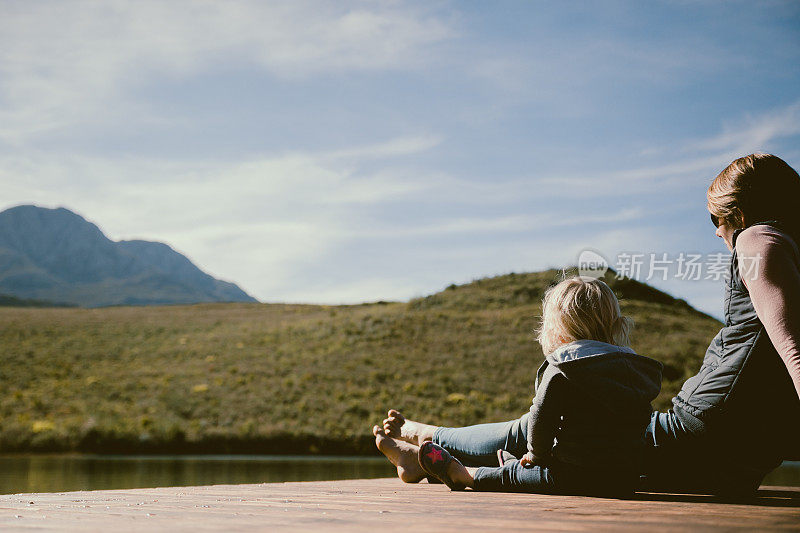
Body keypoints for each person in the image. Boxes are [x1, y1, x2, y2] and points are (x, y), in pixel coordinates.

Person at [373, 276, 663, 495]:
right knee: (526, 467)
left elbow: (540, 418)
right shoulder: (636, 369)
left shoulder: (564, 367)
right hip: (623, 480)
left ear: (557, 329)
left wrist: (537, 455)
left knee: (515, 475)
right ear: (616, 326)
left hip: (568, 475)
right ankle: (471, 460)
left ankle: (464, 474)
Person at [640, 153, 800, 495]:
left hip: (705, 427)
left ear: (739, 212)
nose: (716, 230)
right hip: (748, 454)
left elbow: (793, 348)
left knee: (536, 435)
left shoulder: (755, 238)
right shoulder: (790, 249)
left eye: (717, 217)